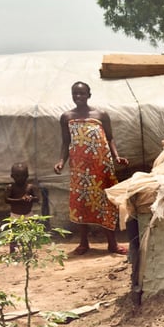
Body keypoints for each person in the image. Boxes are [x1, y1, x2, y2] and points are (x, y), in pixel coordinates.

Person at [53, 81, 128, 255]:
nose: (78, 96)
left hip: (102, 166)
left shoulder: (100, 115)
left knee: (105, 202)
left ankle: (112, 243)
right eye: (75, 93)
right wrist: (61, 161)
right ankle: (83, 242)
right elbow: (66, 142)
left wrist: (116, 157)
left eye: (82, 93)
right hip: (79, 168)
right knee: (81, 203)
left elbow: (110, 138)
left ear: (89, 95)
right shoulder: (66, 117)